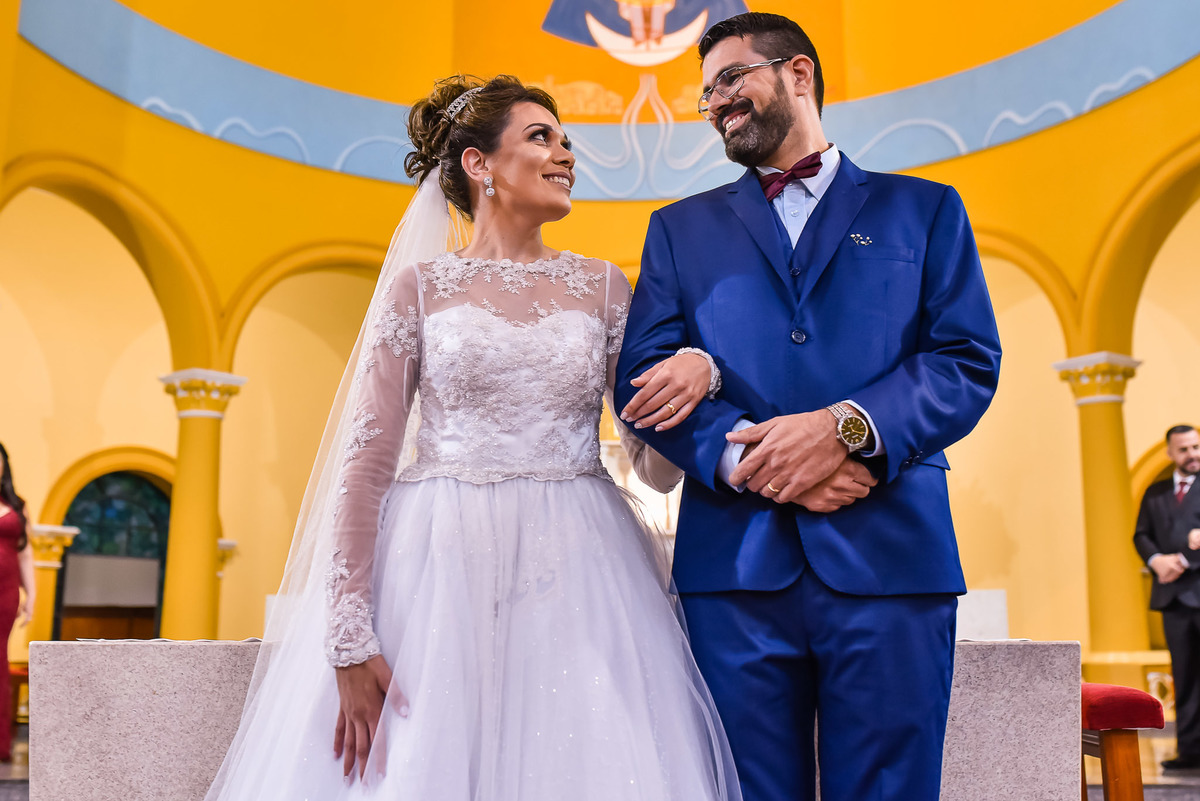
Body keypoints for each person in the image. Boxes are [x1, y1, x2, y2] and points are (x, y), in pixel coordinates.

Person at [205, 75, 742, 801]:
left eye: (567, 141)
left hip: (582, 566)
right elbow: (364, 466)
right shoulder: (420, 289)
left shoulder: (606, 288)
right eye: (541, 137)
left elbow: (653, 468)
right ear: (478, 165)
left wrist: (698, 370)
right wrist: (349, 635)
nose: (566, 154)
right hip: (434, 568)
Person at [614, 12, 1002, 801]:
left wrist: (845, 430)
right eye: (707, 92)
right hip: (735, 571)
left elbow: (966, 359)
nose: (715, 101)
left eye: (731, 77)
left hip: (892, 556)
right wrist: (755, 460)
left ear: (798, 74)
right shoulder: (676, 231)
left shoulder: (925, 210)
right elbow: (641, 377)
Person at [1134, 424, 1200, 769]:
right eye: (1185, 449)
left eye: (1196, 447)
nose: (1193, 454)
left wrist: (1186, 560)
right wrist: (1157, 561)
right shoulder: (1155, 493)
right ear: (1170, 453)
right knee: (1184, 677)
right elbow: (1141, 535)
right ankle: (1190, 751)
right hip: (1173, 598)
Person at [0, 442, 36, 763]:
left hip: (5, 592)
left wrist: (32, 595)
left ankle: (0, 743)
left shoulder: (17, 505)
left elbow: (25, 553)